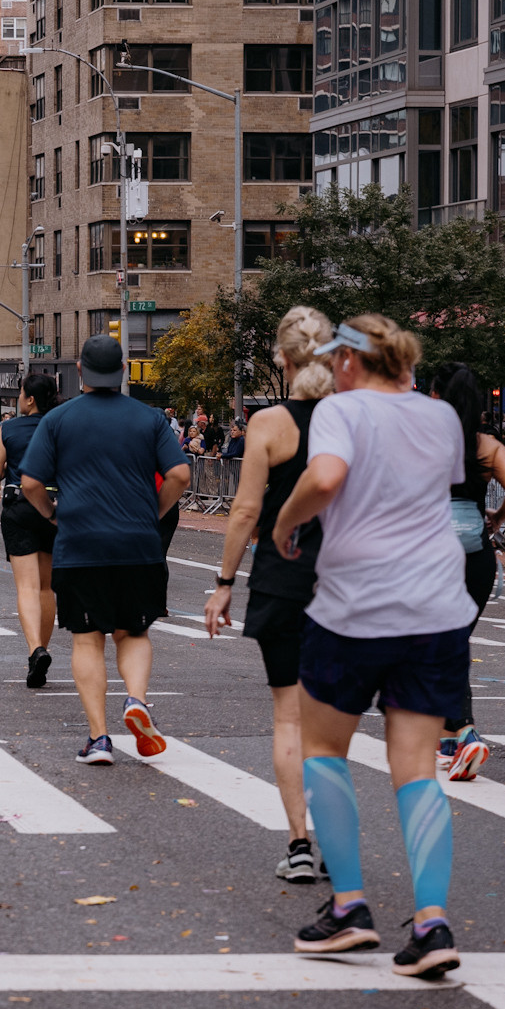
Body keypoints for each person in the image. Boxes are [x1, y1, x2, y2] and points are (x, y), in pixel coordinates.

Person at [270, 314, 474, 979]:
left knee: (323, 748)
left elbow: (327, 478)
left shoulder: (340, 410)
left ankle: (350, 906)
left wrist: (287, 520)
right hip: (436, 605)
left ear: (350, 361)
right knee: (416, 769)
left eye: (336, 359)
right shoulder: (441, 417)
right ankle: (432, 922)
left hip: (355, 606)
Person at [201, 308, 336, 883]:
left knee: (289, 717)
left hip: (283, 579)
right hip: (348, 583)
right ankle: (337, 846)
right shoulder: (355, 417)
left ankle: (300, 843)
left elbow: (245, 510)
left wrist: (224, 583)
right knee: (332, 723)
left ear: (282, 357)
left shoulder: (269, 424)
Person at [20, 334, 189, 767]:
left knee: (87, 639)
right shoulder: (150, 419)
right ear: (123, 370)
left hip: (81, 544)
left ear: (79, 370)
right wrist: (154, 512)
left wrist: (53, 515)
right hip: (139, 544)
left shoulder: (58, 420)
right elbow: (180, 474)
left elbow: (31, 483)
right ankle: (136, 699)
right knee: (134, 632)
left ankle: (98, 739)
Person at [428, 364, 505, 781]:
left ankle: (464, 731)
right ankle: (448, 738)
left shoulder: (422, 439)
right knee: (453, 641)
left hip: (429, 550)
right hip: (475, 552)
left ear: (437, 396)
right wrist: (498, 518)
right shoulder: (487, 445)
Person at [0, 374, 60, 688]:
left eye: (21, 393)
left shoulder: (9, 429)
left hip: (19, 506)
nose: (18, 398)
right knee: (47, 587)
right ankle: (42, 650)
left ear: (30, 399)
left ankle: (35, 649)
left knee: (27, 587)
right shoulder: (60, 426)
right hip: (54, 507)